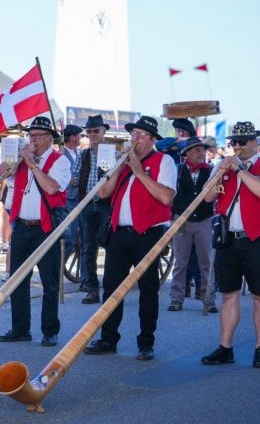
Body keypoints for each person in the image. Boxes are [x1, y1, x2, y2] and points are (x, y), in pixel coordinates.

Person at [85, 115, 176, 361]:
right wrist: (120, 166)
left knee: (148, 289)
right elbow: (103, 192)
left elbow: (166, 196)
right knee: (112, 287)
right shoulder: (123, 161)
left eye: (141, 135)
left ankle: (146, 343)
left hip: (148, 233)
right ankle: (108, 338)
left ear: (152, 139)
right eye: (133, 134)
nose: (135, 139)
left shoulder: (164, 161)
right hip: (119, 233)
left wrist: (138, 170)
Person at [201, 121, 260, 369]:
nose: (237, 146)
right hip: (228, 239)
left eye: (242, 142)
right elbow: (207, 197)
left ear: (255, 142)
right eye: (234, 142)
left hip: (257, 240)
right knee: (229, 295)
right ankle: (225, 348)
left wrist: (240, 171)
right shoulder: (224, 167)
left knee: (259, 296)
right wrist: (219, 172)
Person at [0, 116, 70, 347]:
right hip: (21, 226)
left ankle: (49, 331)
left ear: (50, 138)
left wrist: (32, 164)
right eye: (31, 135)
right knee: (17, 280)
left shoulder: (60, 161)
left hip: (45, 229)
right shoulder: (23, 159)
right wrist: (13, 157)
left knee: (49, 283)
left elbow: (51, 187)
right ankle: (20, 328)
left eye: (38, 136)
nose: (34, 139)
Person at [167, 136, 216, 312]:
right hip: (182, 219)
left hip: (203, 219)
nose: (201, 153)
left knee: (206, 261)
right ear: (187, 153)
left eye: (202, 150)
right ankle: (176, 299)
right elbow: (171, 195)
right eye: (197, 150)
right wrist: (172, 217)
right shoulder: (178, 170)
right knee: (180, 262)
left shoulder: (210, 170)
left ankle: (208, 298)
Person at [75, 115, 112, 304]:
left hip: (107, 205)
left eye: (96, 131)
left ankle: (111, 285)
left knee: (111, 246)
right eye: (89, 132)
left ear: (104, 131)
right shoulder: (83, 154)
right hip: (87, 205)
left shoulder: (112, 153)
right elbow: (74, 177)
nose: (92, 135)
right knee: (88, 248)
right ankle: (91, 288)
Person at [61, 124, 83, 255]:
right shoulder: (62, 154)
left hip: (79, 198)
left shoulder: (78, 154)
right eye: (79, 135)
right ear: (73, 137)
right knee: (69, 237)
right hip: (68, 199)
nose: (81, 138)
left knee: (76, 235)